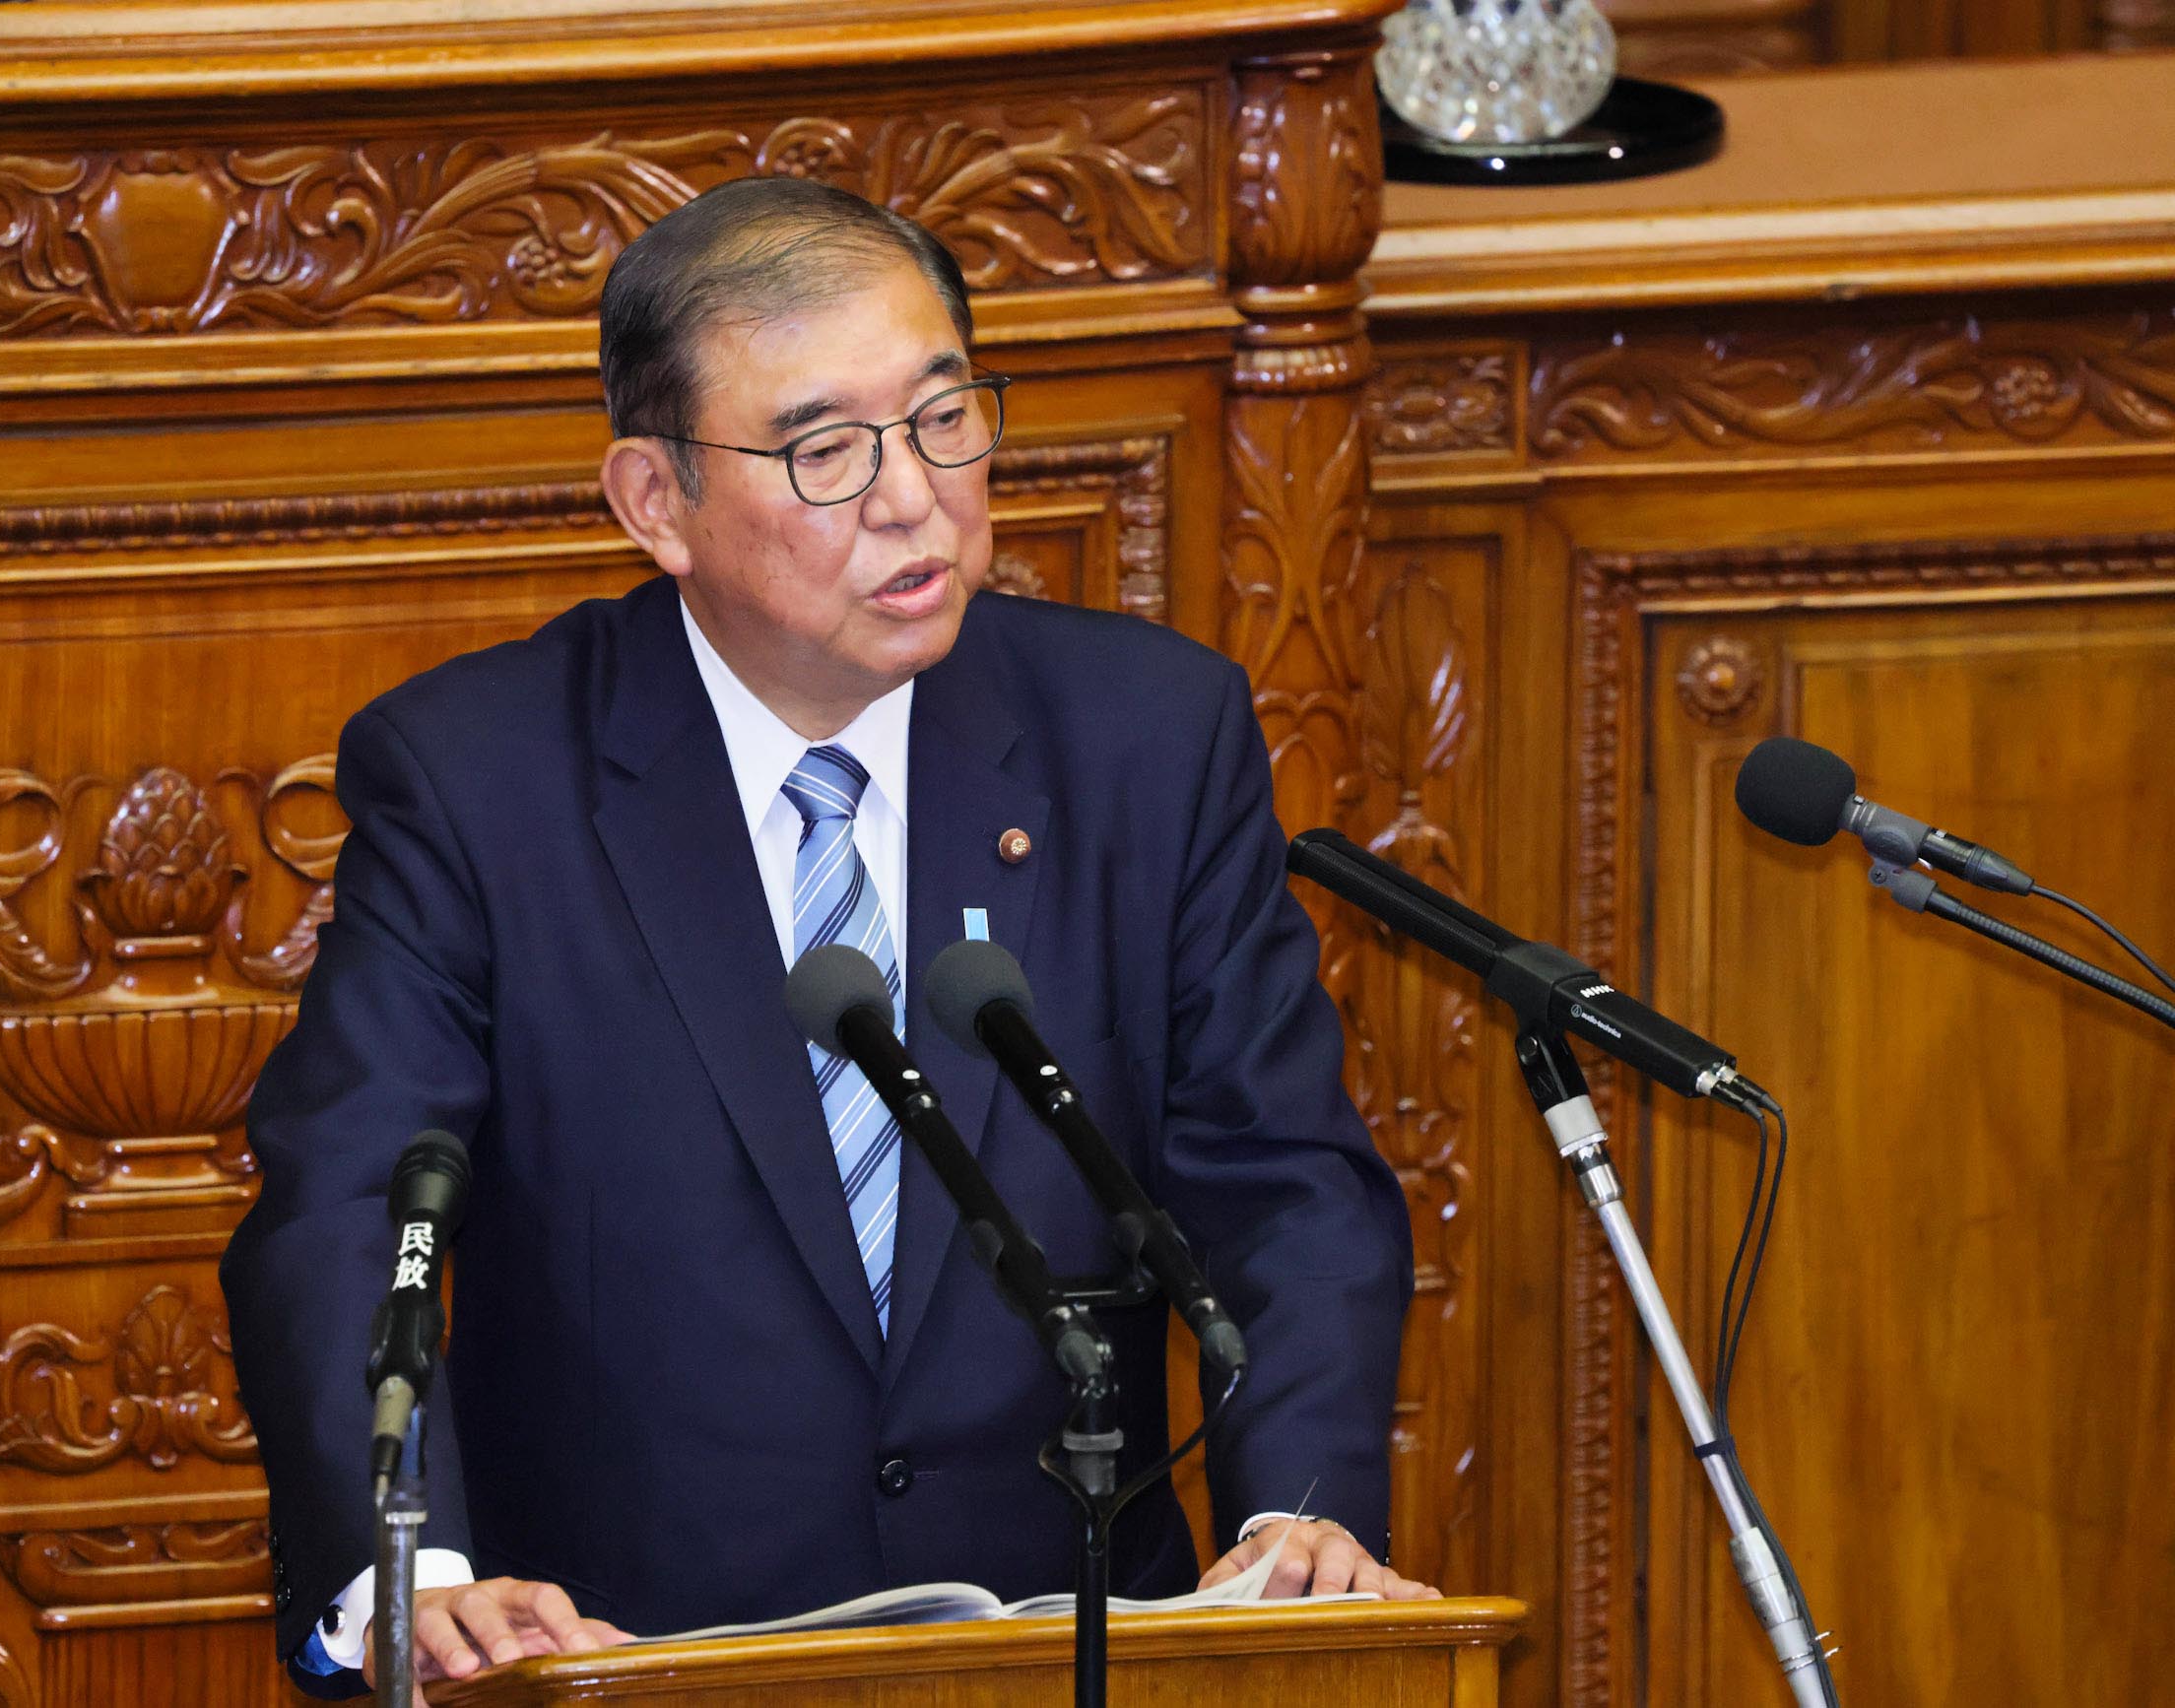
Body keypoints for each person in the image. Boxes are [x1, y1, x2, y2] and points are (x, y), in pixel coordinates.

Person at [219, 176, 1427, 1700]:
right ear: (656, 501)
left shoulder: (1144, 739)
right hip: (632, 1661)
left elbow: (1285, 1182)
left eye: (943, 417)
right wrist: (423, 1575)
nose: (912, 495)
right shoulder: (481, 780)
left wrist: (1293, 1515)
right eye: (822, 450)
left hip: (1072, 1655)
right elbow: (346, 1203)